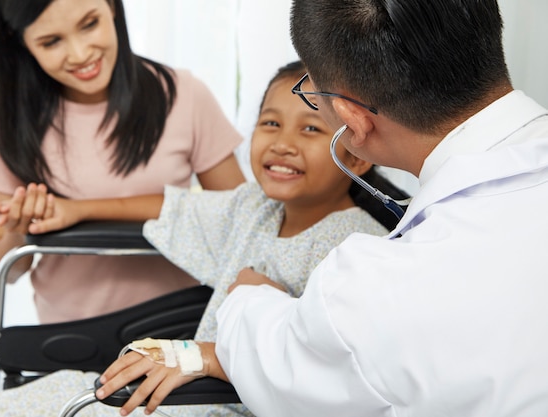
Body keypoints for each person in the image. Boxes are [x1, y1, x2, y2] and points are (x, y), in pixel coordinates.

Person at [0, 61, 402, 417]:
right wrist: (76, 209)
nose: (283, 143)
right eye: (270, 122)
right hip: (181, 393)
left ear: (358, 154)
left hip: (222, 403)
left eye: (311, 129)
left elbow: (332, 375)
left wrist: (210, 351)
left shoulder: (356, 249)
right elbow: (170, 208)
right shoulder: (250, 209)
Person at [211, 1, 548, 417]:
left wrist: (248, 296)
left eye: (312, 110)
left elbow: (284, 372)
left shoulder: (372, 291)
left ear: (353, 120)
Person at [0, 0, 245, 324]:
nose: (80, 54)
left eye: (89, 24)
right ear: (19, 40)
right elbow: (5, 268)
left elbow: (242, 221)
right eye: (51, 42)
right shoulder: (11, 124)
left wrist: (80, 212)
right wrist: (19, 230)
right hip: (69, 344)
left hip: (180, 334)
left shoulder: (183, 95)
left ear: (112, 7)